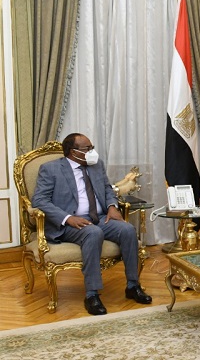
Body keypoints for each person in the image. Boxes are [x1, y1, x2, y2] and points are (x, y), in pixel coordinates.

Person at [31, 133, 151, 316]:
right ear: (73, 152)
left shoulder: (97, 165)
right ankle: (92, 295)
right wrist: (67, 218)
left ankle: (133, 286)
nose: (92, 151)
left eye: (92, 147)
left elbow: (107, 189)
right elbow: (40, 200)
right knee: (93, 233)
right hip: (70, 223)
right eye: (88, 148)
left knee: (127, 229)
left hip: (100, 217)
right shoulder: (50, 169)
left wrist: (112, 206)